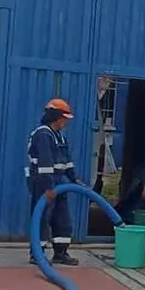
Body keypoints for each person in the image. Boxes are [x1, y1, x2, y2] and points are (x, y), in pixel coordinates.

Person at [25, 98, 85, 266]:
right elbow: (45, 164)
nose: (65, 122)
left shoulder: (60, 136)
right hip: (43, 182)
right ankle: (37, 254)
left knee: (62, 218)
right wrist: (48, 189)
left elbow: (67, 162)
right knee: (42, 217)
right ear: (56, 117)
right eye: (64, 118)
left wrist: (75, 179)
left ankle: (60, 252)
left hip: (59, 183)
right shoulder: (43, 134)